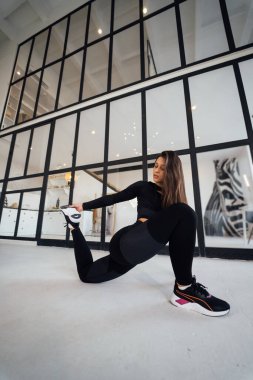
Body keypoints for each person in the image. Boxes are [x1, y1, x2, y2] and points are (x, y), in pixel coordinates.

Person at [61, 150, 230, 317]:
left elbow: (179, 246)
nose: (156, 170)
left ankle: (74, 226)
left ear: (172, 172)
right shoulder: (144, 187)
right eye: (155, 166)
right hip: (128, 241)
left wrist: (75, 228)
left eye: (162, 168)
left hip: (137, 253)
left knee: (87, 275)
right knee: (185, 212)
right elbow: (113, 198)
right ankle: (184, 289)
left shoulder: (174, 206)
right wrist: (83, 205)